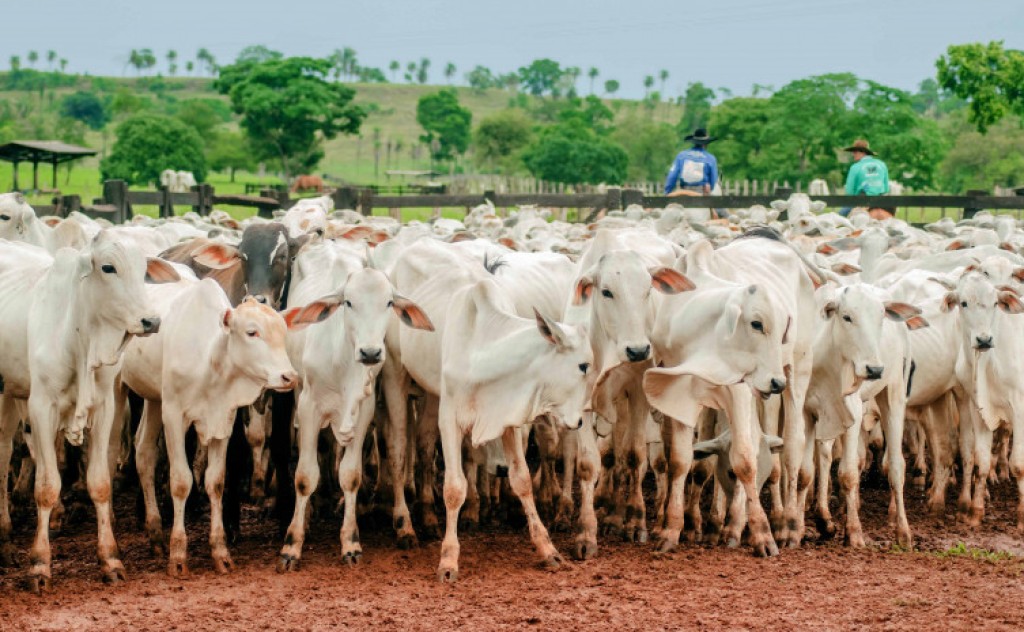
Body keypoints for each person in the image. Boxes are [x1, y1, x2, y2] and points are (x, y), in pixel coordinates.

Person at [841, 139, 891, 219]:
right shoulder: (882, 165)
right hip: (880, 201)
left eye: (855, 152)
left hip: (861, 201)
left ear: (862, 152)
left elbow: (850, 191)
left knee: (840, 215)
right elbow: (886, 189)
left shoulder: (855, 167)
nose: (853, 154)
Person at [664, 128, 719, 197]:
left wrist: (667, 192)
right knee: (720, 207)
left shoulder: (681, 156)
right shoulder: (710, 159)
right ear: (706, 143)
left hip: (682, 192)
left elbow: (672, 177)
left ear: (694, 142)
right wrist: (710, 188)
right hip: (701, 194)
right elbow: (713, 182)